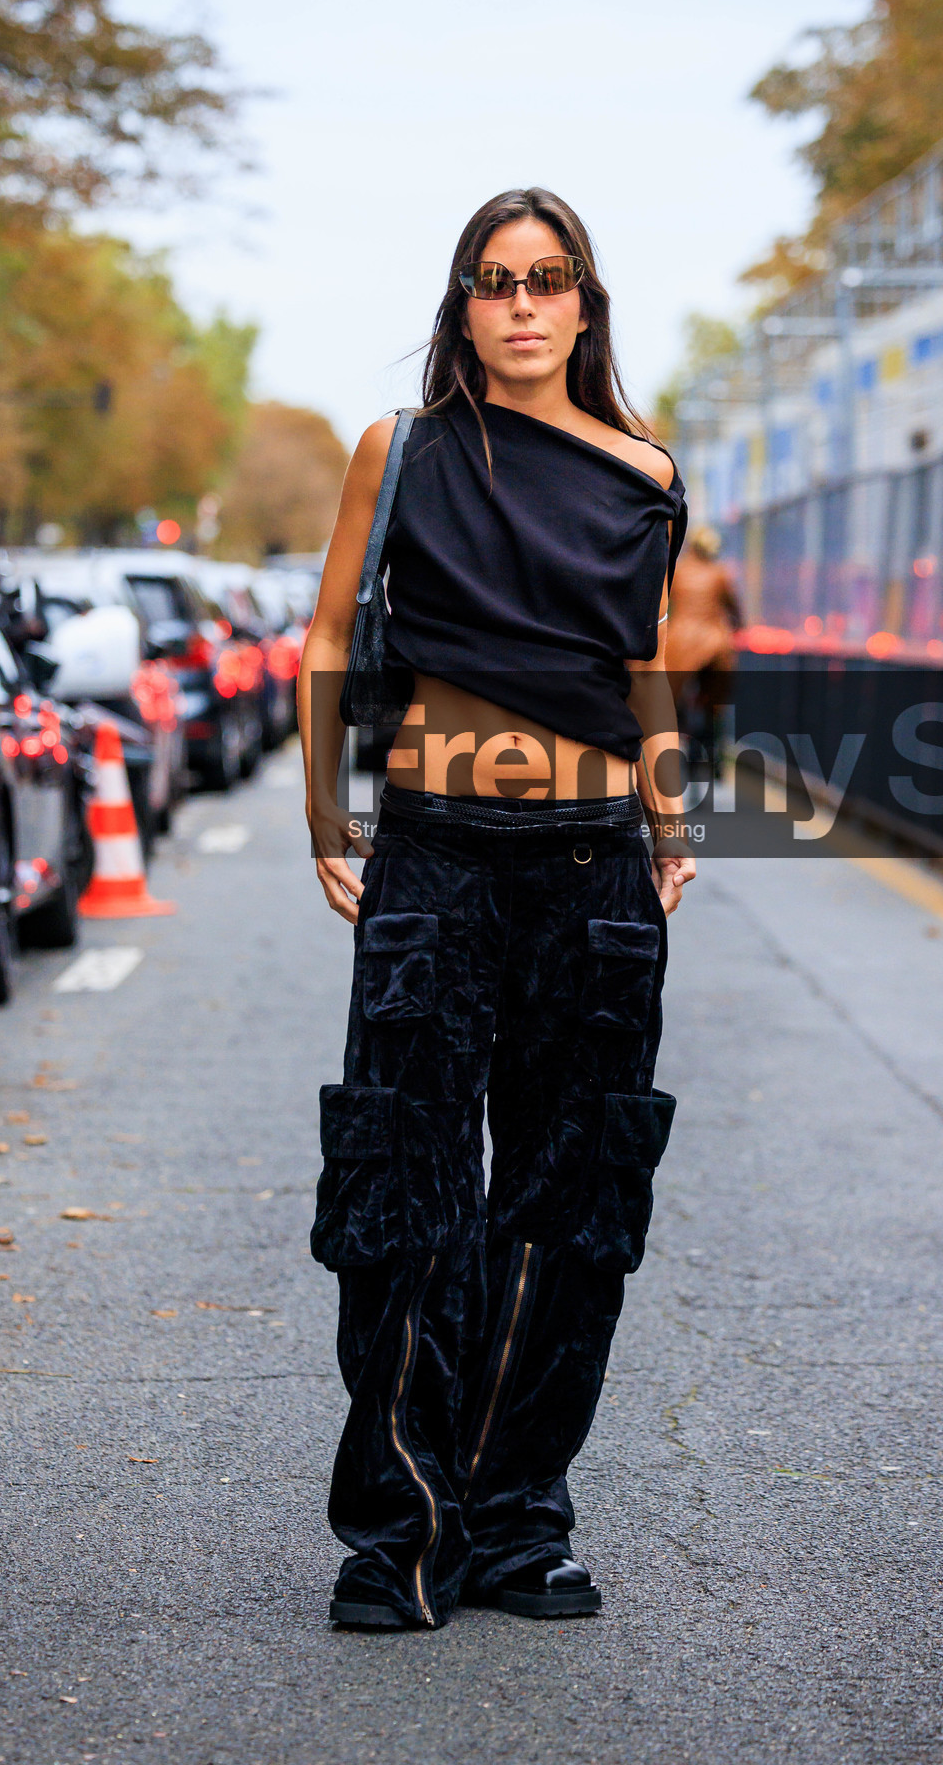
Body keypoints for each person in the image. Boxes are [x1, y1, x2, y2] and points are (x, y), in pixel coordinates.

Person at [298, 187, 695, 1632]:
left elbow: (643, 660)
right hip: (432, 857)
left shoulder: (646, 470)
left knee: (571, 1196)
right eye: (493, 280)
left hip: (596, 866)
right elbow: (329, 629)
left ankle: (519, 1526)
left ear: (586, 305)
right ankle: (398, 1534)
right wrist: (322, 809)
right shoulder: (398, 452)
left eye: (548, 279)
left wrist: (673, 813)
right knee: (406, 1190)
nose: (521, 304)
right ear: (461, 306)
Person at [663, 524, 742, 772]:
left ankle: (675, 740)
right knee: (716, 702)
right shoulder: (720, 574)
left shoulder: (678, 572)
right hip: (714, 645)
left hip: (680, 645)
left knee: (671, 699)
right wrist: (739, 624)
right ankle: (715, 753)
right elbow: (734, 609)